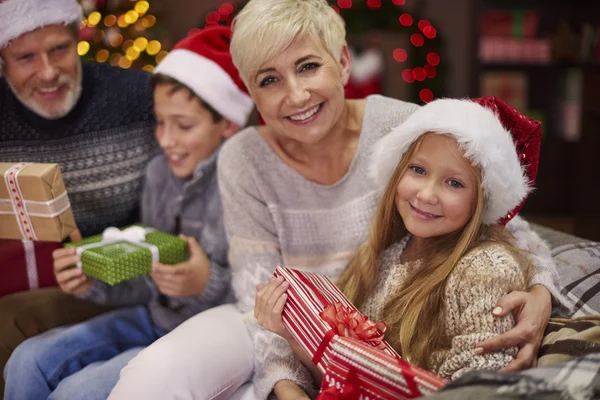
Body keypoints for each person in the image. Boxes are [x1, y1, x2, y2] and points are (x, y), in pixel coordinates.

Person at [109, 1, 569, 399]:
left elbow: (504, 224)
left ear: (343, 63)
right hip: (277, 325)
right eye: (269, 79)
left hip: (375, 333)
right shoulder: (243, 159)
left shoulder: (403, 128)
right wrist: (285, 386)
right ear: (251, 93)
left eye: (308, 66)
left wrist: (541, 292)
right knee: (150, 376)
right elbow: (259, 300)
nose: (295, 94)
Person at [2, 26, 253, 400]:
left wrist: (206, 282)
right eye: (160, 122)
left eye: (183, 125)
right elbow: (147, 275)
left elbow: (262, 288)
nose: (165, 139)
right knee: (26, 360)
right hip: (152, 316)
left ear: (228, 124)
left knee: (76, 392)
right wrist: (94, 282)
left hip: (205, 331)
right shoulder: (159, 174)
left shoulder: (243, 183)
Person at [257, 97, 546, 384]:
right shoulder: (381, 258)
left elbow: (482, 385)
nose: (426, 194)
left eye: (454, 183)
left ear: (480, 201)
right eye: (418, 170)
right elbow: (344, 372)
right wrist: (291, 333)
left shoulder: (485, 268)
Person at [0, 0, 156, 396]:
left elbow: (172, 219)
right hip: (38, 276)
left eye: (59, 49)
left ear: (77, 39)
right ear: (2, 61)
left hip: (128, 280)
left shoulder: (138, 98)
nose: (48, 72)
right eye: (25, 58)